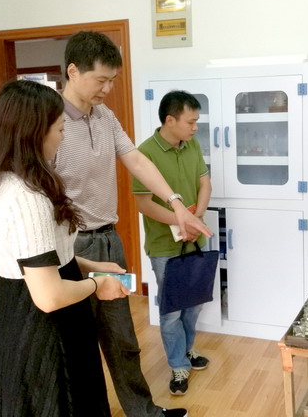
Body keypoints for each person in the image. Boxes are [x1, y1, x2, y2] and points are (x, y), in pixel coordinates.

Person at [55, 31, 211, 417]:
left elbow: (138, 161)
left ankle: (144, 412)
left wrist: (176, 203)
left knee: (122, 337)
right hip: (70, 246)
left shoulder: (105, 117)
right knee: (75, 342)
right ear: (73, 72)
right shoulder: (49, 120)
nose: (108, 89)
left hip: (110, 241)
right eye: (101, 80)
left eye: (113, 80)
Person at [0, 80, 130, 416]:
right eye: (60, 129)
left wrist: (88, 266)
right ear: (34, 133)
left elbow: (31, 258)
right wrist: (98, 284)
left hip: (17, 320)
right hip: (46, 329)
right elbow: (49, 296)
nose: (63, 138)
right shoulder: (27, 197)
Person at [132, 90, 212, 396]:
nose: (195, 127)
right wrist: (182, 221)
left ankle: (187, 349)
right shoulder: (145, 154)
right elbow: (144, 205)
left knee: (194, 303)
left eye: (196, 121)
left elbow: (205, 183)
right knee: (172, 310)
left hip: (195, 238)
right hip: (165, 247)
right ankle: (178, 364)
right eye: (190, 122)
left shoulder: (192, 145)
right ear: (170, 120)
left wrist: (196, 217)